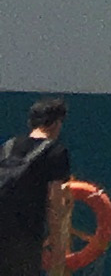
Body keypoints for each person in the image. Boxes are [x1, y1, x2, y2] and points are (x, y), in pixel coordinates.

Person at [0, 99, 71, 267]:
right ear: (55, 123)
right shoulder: (55, 152)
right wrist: (58, 247)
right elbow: (55, 203)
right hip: (26, 233)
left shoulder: (8, 146)